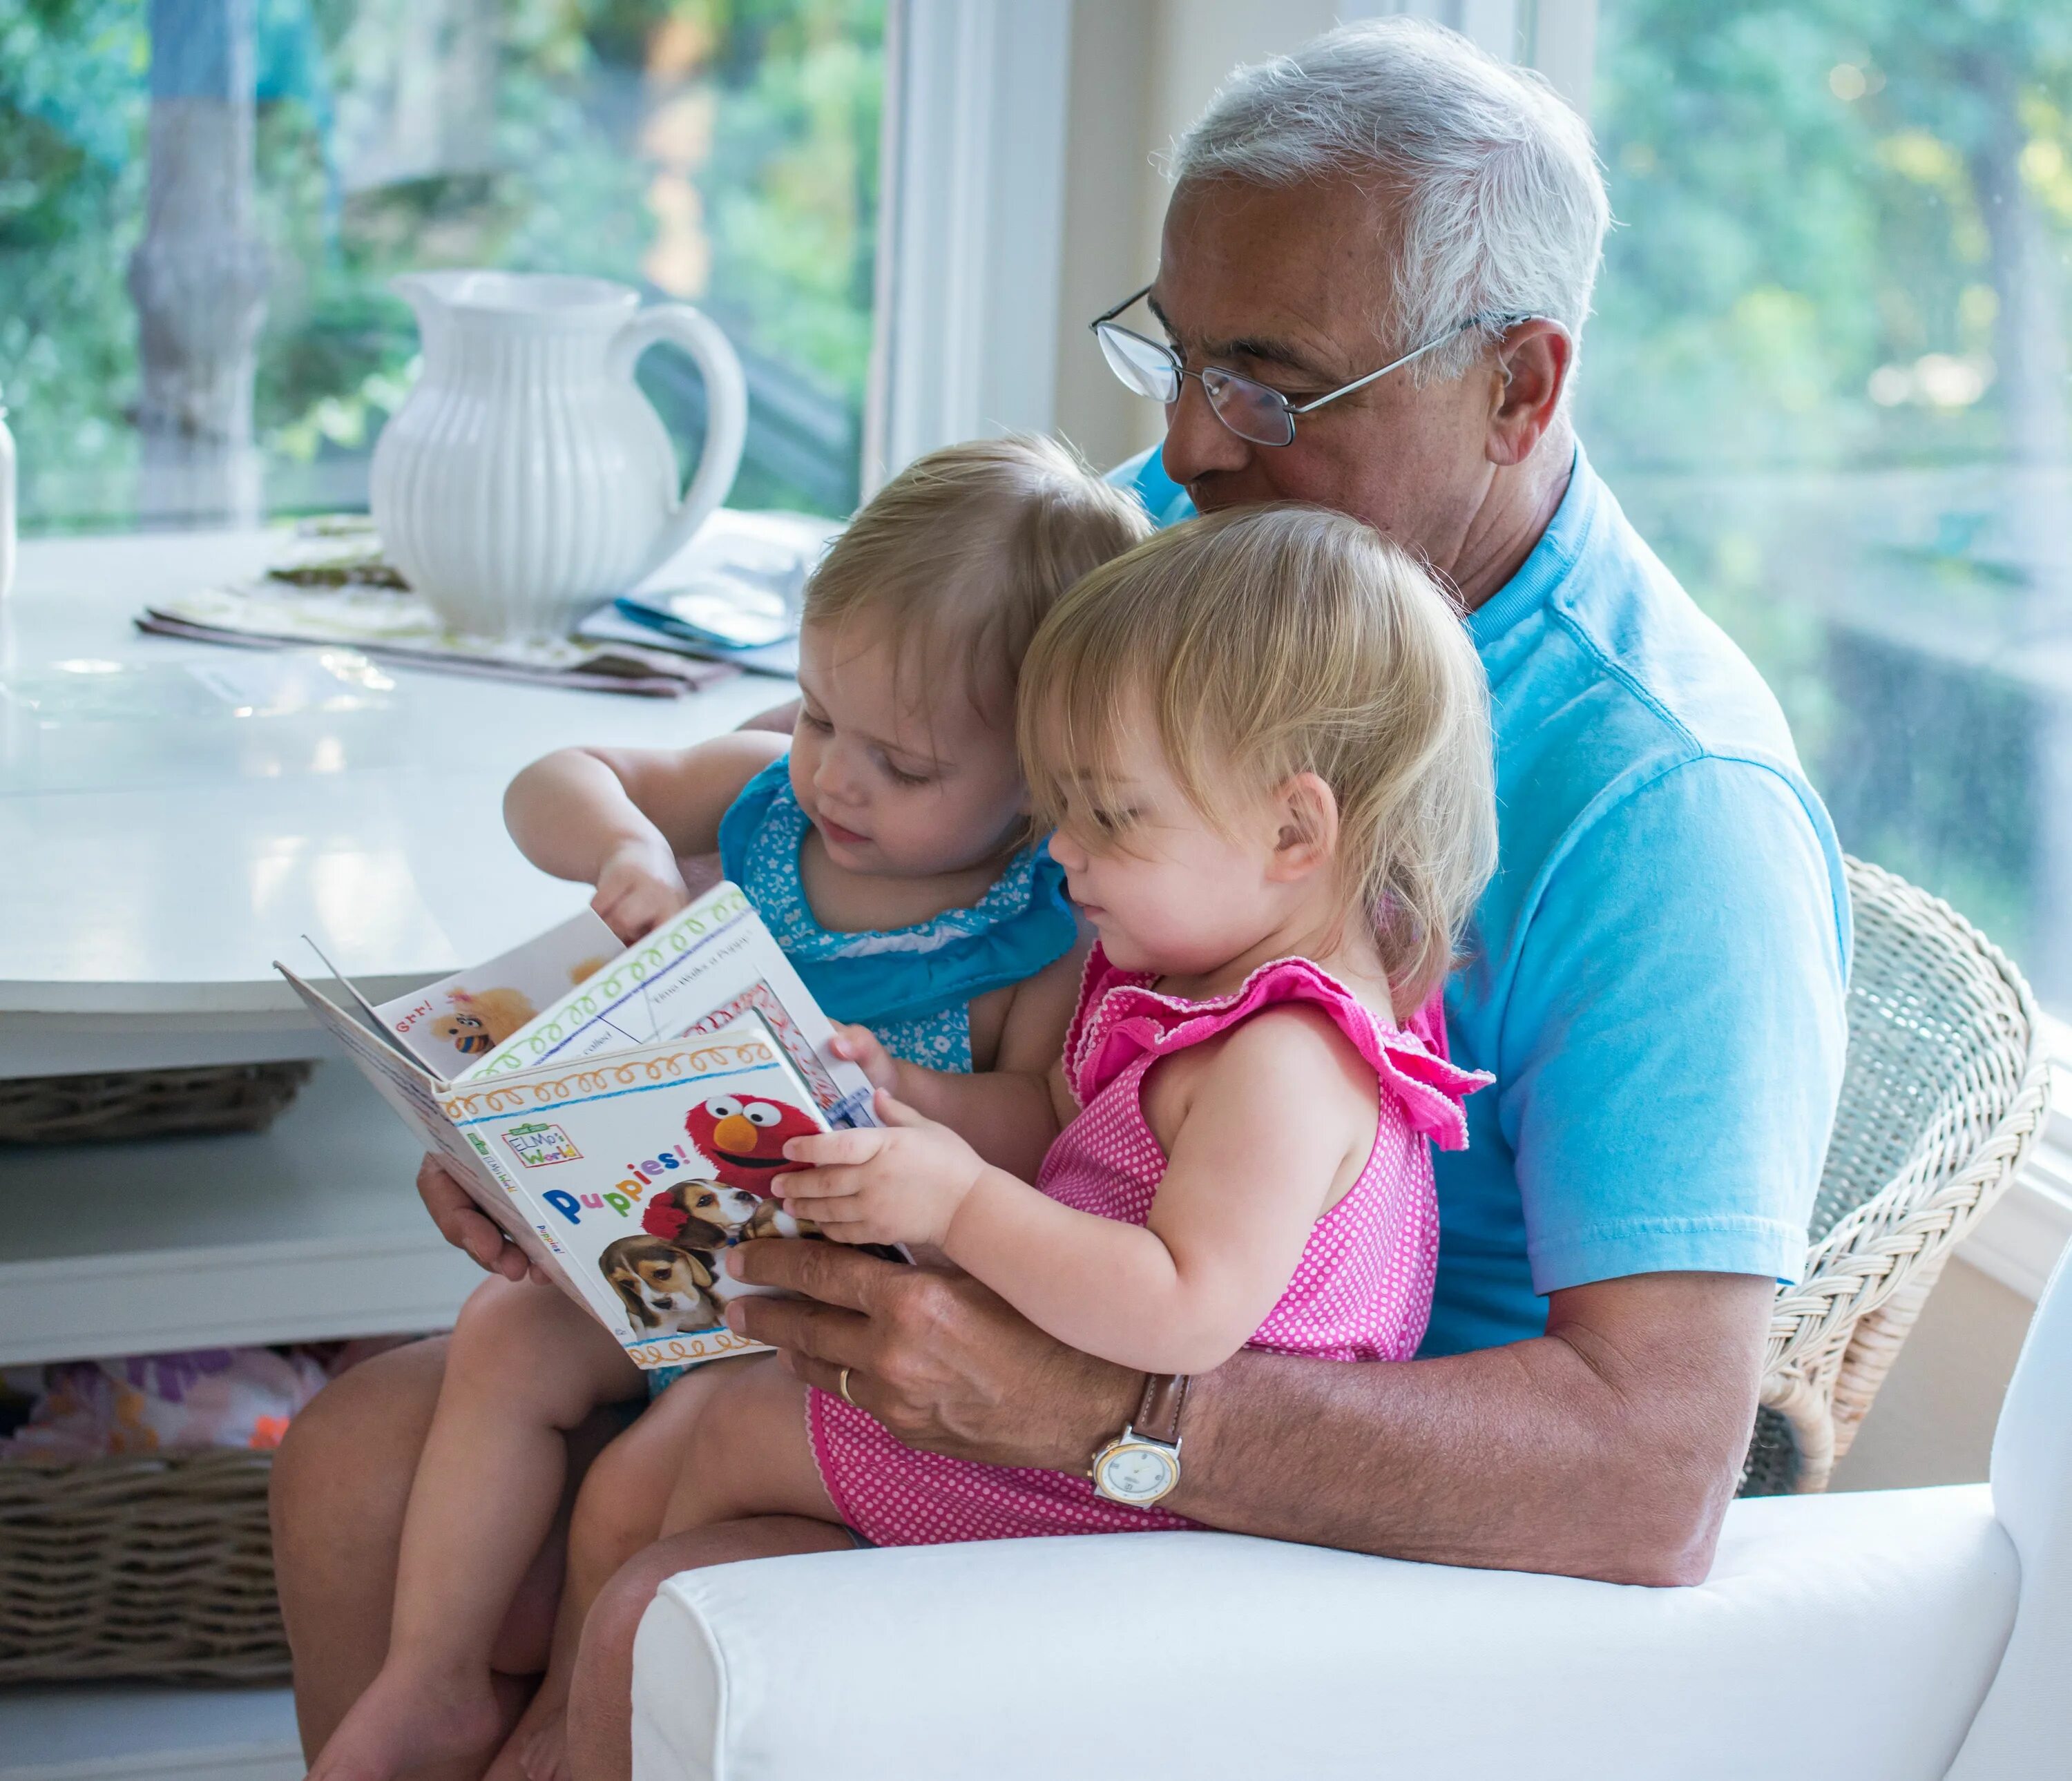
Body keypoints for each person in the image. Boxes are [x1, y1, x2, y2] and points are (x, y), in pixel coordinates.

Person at [272, 15, 1850, 1771]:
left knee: (677, 1615)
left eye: (1270, 382)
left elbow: (1653, 1479)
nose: (1187, 442)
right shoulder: (1180, 553)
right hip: (960, 1270)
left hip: (1318, 1524)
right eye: (1171, 358)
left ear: (1518, 388)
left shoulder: (1670, 808)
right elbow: (837, 787)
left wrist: (1108, 1409)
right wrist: (579, 1122)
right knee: (356, 1464)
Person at [528, 503, 1495, 1778]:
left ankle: (558, 1741)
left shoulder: (1285, 1061)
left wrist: (958, 1208)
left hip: (1148, 1510)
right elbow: (1061, 1121)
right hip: (1086, 1452)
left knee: (711, 1441)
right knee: (660, 1471)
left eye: (1108, 817)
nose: (1060, 852)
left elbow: (1188, 1312)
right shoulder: (1204, 974)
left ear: (1293, 832)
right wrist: (920, 1104)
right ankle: (558, 1725)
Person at [296, 435, 1149, 1781]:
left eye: (904, 763)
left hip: (822, 1306)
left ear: (1047, 772)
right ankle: (437, 1676)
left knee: (681, 1458)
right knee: (506, 1336)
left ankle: (568, 1724)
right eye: (817, 714)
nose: (837, 776)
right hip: (666, 1247)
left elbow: (1047, 1126)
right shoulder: (763, 808)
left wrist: (914, 1094)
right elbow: (555, 780)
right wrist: (629, 845)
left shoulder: (1042, 932)